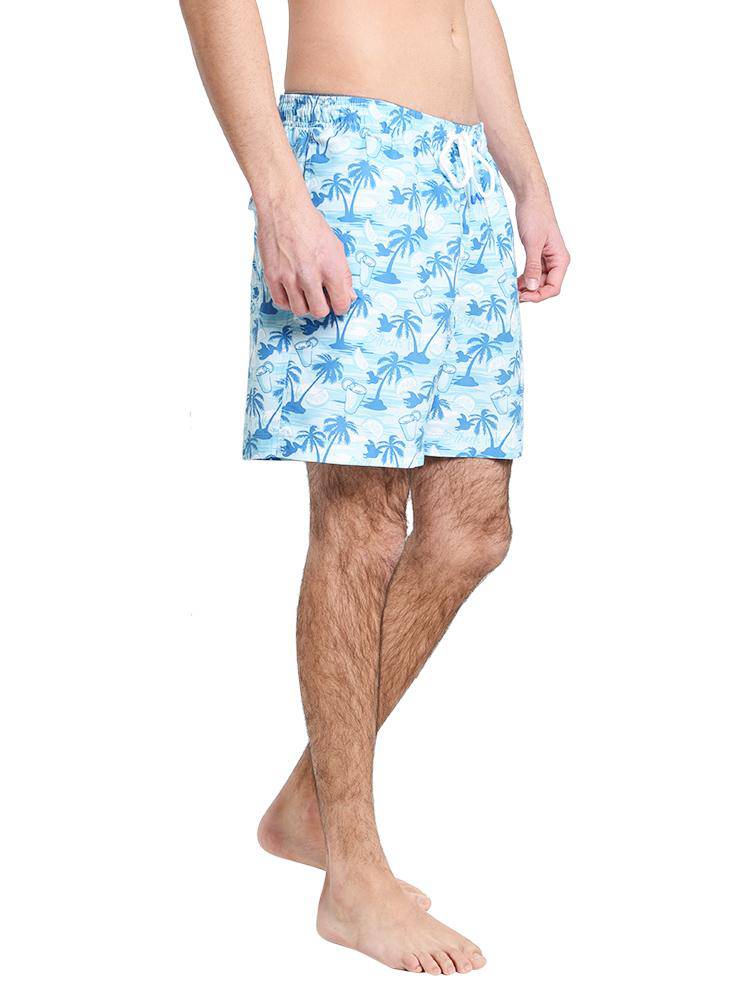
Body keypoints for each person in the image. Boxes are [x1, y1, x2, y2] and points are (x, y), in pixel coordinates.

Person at [181, 0, 569, 975]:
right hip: (356, 161)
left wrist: (526, 182)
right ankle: (353, 878)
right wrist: (279, 192)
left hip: (461, 172)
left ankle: (310, 803)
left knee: (473, 526)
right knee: (360, 524)